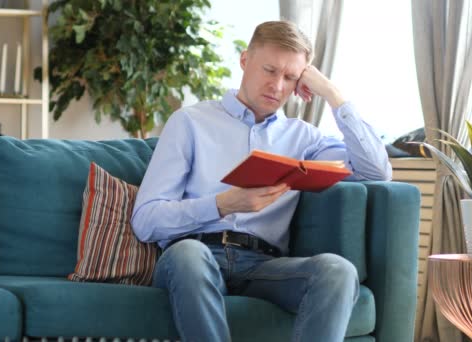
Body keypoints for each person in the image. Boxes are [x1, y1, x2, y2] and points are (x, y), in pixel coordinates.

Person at [131, 20, 392, 342]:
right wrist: (223, 204)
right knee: (187, 255)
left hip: (264, 266)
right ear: (244, 60)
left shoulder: (304, 138)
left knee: (338, 271)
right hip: (194, 257)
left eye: (290, 77)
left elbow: (377, 172)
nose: (278, 86)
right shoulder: (190, 122)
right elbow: (145, 221)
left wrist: (332, 94)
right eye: (270, 70)